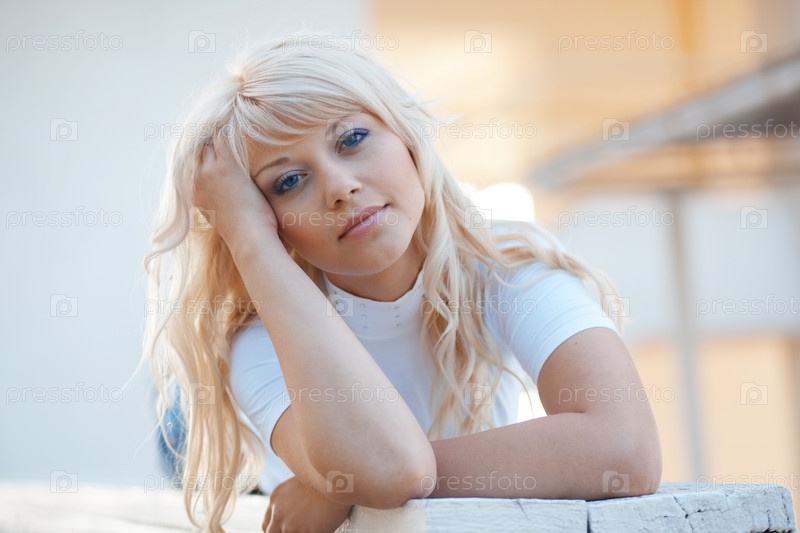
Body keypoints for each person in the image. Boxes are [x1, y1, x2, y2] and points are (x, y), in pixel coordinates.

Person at [143, 34, 662, 533]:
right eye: (289, 181)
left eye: (352, 138)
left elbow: (625, 447)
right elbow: (391, 469)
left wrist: (342, 489)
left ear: (405, 134)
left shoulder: (507, 267)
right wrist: (249, 242)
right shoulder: (259, 343)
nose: (340, 187)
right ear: (267, 219)